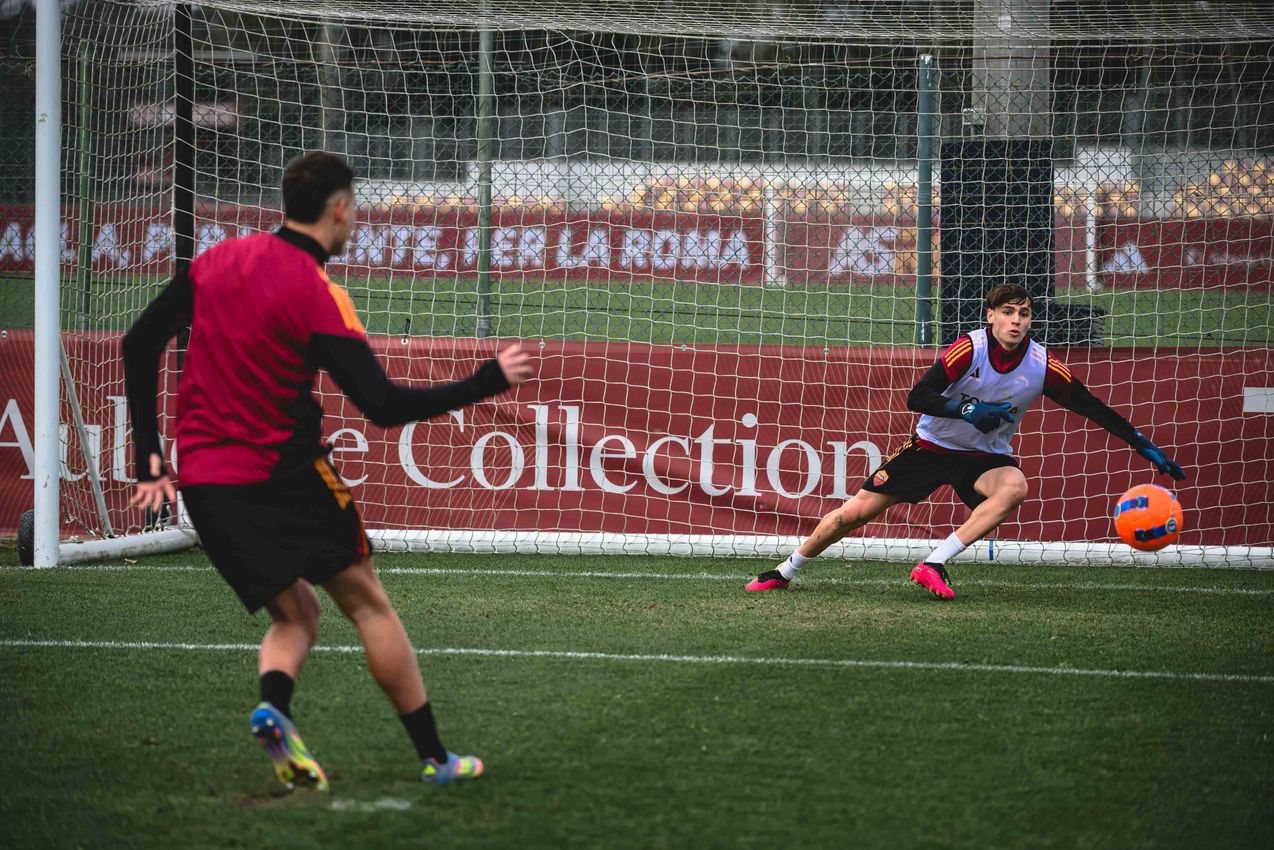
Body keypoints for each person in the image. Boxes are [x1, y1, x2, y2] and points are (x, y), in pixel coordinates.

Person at [122, 151, 534, 790]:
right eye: (354, 210)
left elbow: (138, 342)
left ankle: (274, 710)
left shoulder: (216, 261)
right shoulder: (318, 293)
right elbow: (383, 406)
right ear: (340, 209)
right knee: (367, 603)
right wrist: (485, 381)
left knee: (296, 614)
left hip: (204, 482)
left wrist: (150, 459)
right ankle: (436, 758)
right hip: (285, 474)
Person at [746, 283, 1186, 599]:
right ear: (991, 316)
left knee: (1014, 487)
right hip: (930, 449)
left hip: (984, 457)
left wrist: (1139, 442)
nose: (1016, 320)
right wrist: (968, 410)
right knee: (851, 515)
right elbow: (917, 397)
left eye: (1024, 313)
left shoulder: (1042, 365)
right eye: (1008, 312)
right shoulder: (968, 349)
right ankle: (784, 571)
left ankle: (934, 562)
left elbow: (1090, 406)